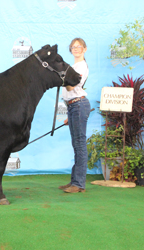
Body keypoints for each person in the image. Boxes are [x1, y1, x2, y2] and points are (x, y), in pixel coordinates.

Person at [59, 38, 91, 193]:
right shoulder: (73, 66)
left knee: (79, 144)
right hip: (73, 107)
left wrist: (61, 78)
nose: (75, 49)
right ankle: (75, 180)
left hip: (78, 104)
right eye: (73, 46)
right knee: (76, 144)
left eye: (79, 46)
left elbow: (71, 88)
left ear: (84, 49)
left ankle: (79, 184)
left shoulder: (82, 66)